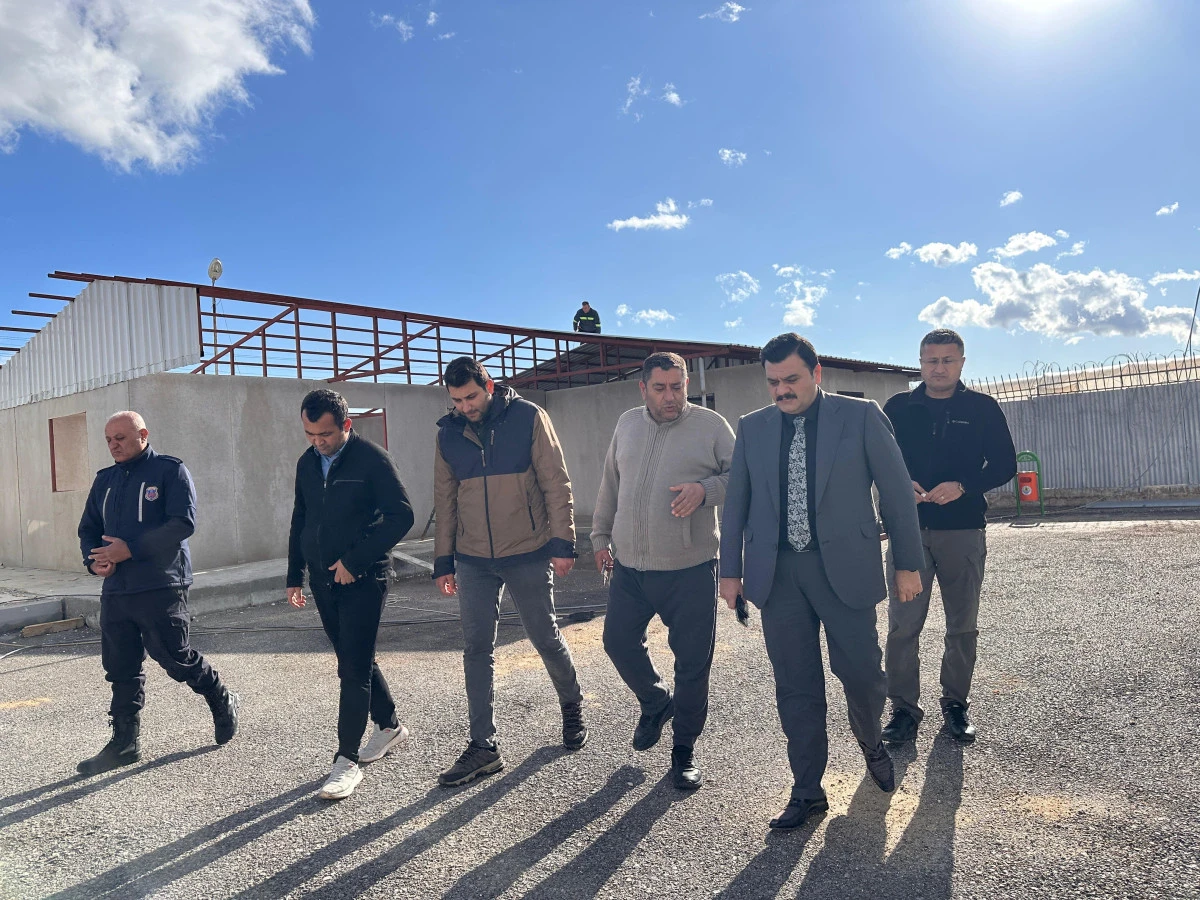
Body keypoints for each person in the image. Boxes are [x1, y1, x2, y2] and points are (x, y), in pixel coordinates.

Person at [718, 333, 925, 830]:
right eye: (773, 382)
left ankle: (871, 742)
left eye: (791, 379)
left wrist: (907, 563)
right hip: (779, 576)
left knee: (863, 675)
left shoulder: (860, 416)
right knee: (796, 686)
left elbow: (897, 493)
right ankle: (807, 789)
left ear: (816, 373)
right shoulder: (752, 427)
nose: (781, 390)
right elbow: (737, 502)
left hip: (845, 570)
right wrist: (729, 571)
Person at [433, 356, 586, 786]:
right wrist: (444, 561)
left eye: (471, 397)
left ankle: (571, 703)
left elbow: (556, 482)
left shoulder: (529, 417)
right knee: (476, 648)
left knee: (544, 636)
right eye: (457, 400)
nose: (465, 406)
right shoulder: (448, 434)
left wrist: (563, 543)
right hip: (473, 558)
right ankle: (483, 746)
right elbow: (444, 501)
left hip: (528, 551)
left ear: (489, 386)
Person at [592, 352, 735, 790]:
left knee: (692, 665)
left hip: (689, 569)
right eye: (660, 388)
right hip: (630, 568)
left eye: (678, 387)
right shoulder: (627, 424)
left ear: (686, 384)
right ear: (643, 388)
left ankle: (684, 750)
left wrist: (705, 490)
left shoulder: (712, 426)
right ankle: (655, 701)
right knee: (617, 642)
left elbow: (744, 478)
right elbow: (611, 482)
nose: (670, 397)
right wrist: (599, 537)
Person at [76, 411, 239, 775]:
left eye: (120, 438)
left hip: (161, 583)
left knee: (174, 656)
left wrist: (130, 550)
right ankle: (125, 743)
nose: (113, 445)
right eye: (108, 440)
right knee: (120, 665)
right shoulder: (104, 480)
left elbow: (182, 523)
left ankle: (219, 695)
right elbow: (88, 528)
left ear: (143, 434)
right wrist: (94, 560)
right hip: (117, 588)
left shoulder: (169, 471)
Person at [880, 328, 1017, 744]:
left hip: (963, 530)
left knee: (962, 624)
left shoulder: (982, 408)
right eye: (931, 360)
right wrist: (900, 485)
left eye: (947, 360)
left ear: (961, 363)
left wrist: (963, 486)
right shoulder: (898, 407)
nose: (938, 368)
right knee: (903, 626)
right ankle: (903, 709)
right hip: (909, 532)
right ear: (920, 363)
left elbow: (1005, 464)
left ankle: (955, 703)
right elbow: (878, 460)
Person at [286, 389, 415, 800]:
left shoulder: (372, 459)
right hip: (322, 580)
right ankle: (389, 725)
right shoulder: (307, 462)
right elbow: (301, 518)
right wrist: (294, 573)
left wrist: (355, 561)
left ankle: (346, 761)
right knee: (353, 658)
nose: (317, 442)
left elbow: (401, 516)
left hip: (364, 578)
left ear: (346, 424)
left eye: (325, 434)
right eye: (310, 434)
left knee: (352, 669)